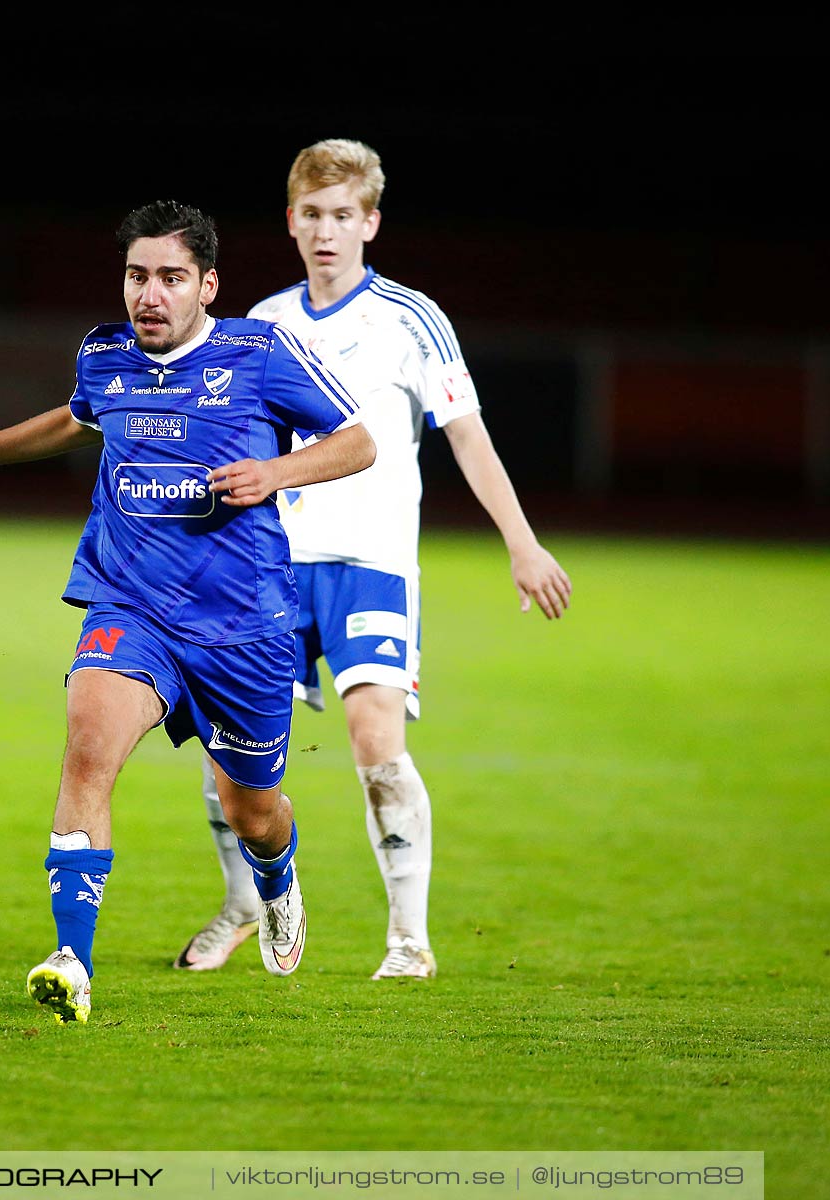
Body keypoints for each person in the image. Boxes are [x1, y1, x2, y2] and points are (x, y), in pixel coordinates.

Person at [0, 200, 376, 1024]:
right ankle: (72, 958)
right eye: (137, 276)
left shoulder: (257, 354)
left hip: (245, 626)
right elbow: (76, 420)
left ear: (207, 285)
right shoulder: (104, 354)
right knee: (88, 750)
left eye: (171, 278)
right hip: (130, 605)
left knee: (254, 809)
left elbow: (358, 441)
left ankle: (277, 872)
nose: (150, 294)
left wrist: (275, 475)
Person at [173, 139, 572, 981]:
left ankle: (408, 940)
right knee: (227, 759)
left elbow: (468, 435)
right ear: (291, 221)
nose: (327, 232)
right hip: (271, 570)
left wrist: (522, 540)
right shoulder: (265, 325)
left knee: (374, 741)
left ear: (371, 222)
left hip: (372, 562)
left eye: (343, 216)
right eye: (312, 215)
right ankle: (245, 902)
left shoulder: (410, 319)